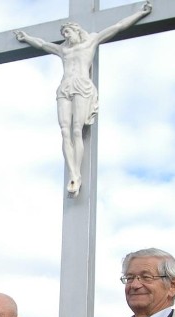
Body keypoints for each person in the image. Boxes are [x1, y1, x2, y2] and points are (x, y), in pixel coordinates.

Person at [15, 3, 152, 196]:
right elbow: (43, 44)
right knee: (64, 130)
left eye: (68, 32)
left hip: (82, 86)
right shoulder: (63, 50)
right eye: (64, 34)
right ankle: (72, 172)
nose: (66, 37)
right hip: (65, 87)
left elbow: (119, 26)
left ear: (77, 31)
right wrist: (27, 38)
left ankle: (76, 173)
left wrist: (139, 13)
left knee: (77, 129)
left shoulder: (91, 41)